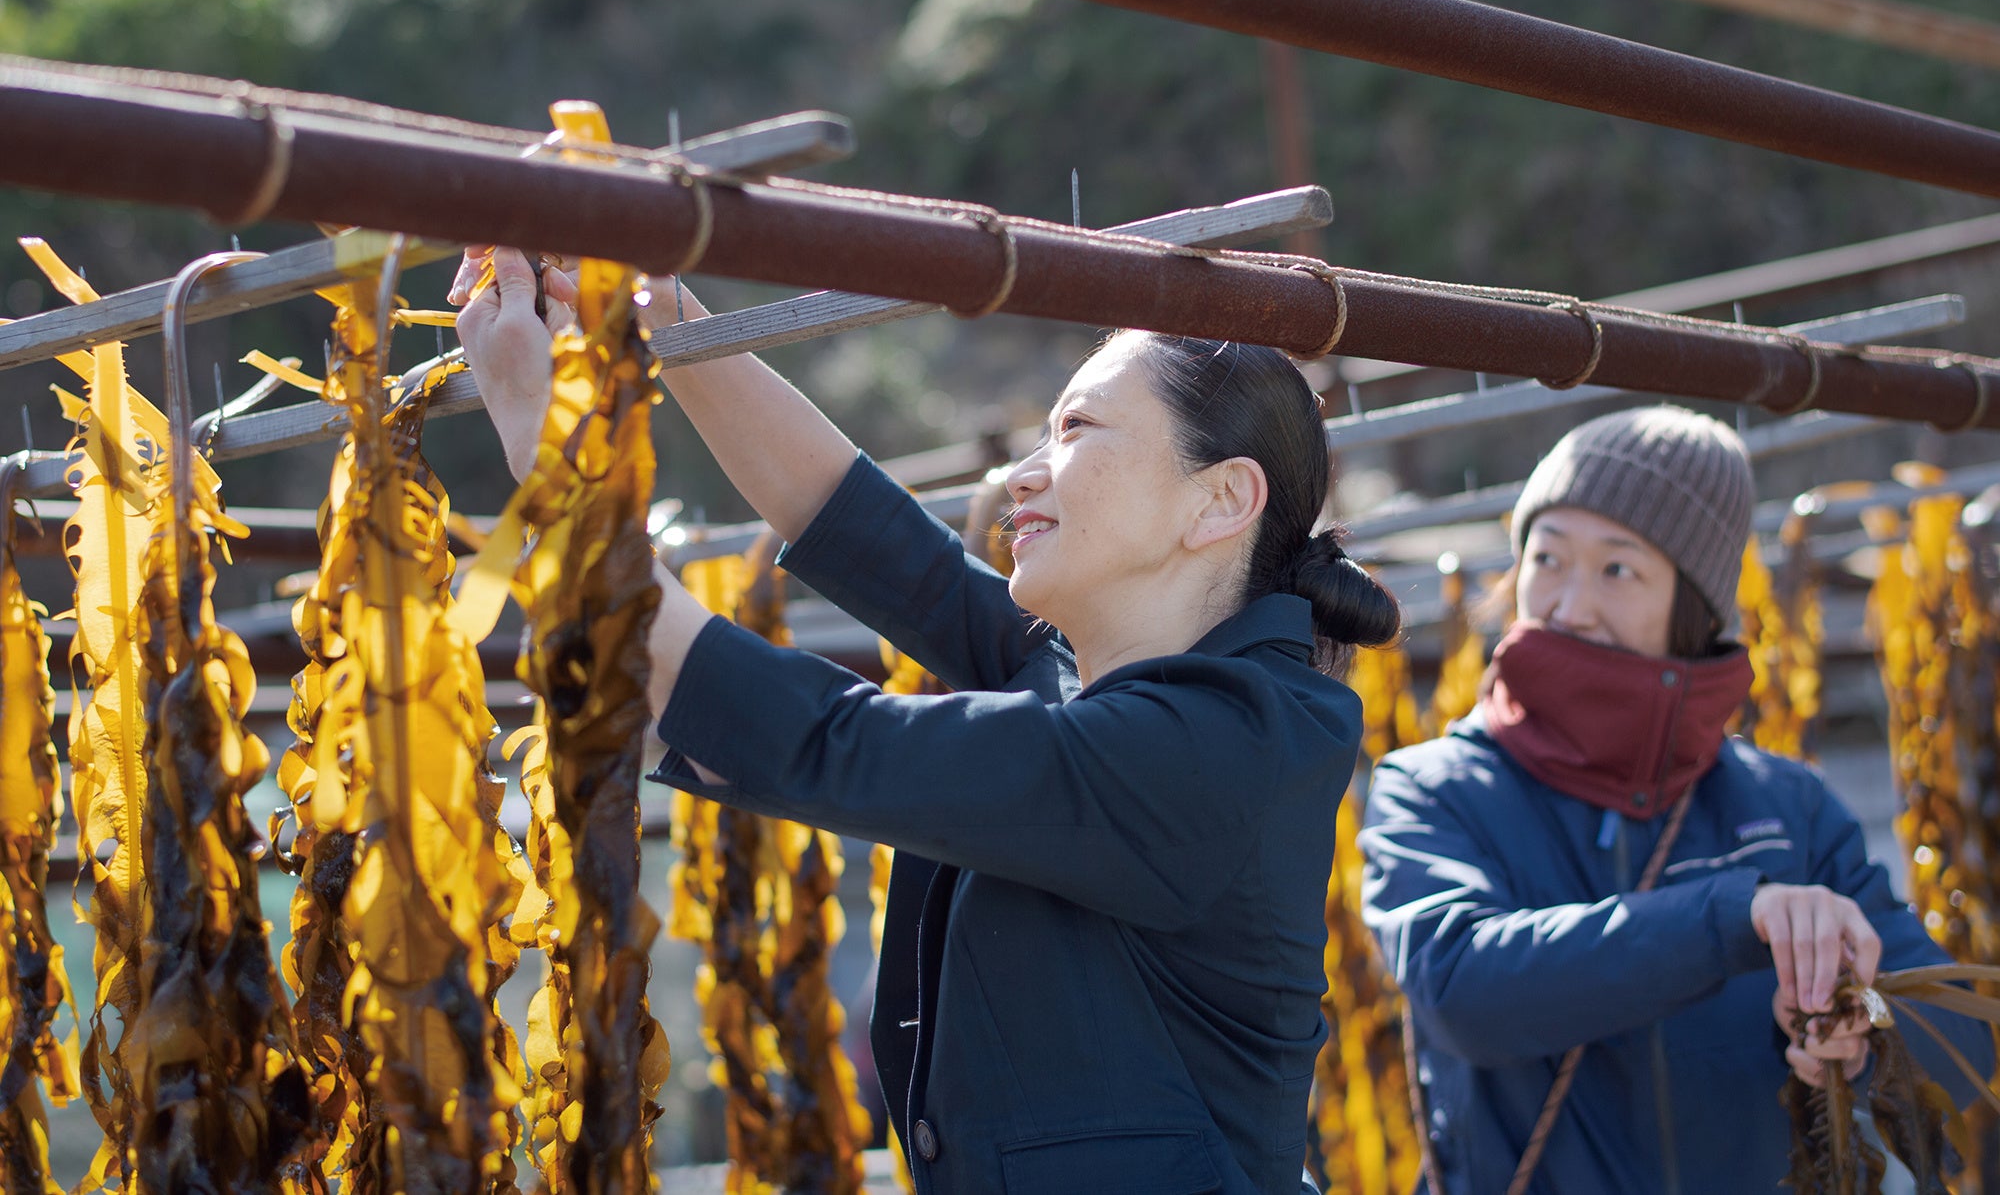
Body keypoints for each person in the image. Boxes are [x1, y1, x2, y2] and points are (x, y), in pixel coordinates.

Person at [452, 248, 1401, 1194]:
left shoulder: (1219, 751)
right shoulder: (1081, 677)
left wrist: (538, 429)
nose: (1025, 474)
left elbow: (833, 741)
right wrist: (660, 311)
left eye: (1075, 429)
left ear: (1221, 499)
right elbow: (861, 528)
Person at [1359, 405, 1995, 1195]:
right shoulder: (1436, 788)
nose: (1567, 602)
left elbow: (1960, 1044)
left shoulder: (1784, 806)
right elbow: (1459, 989)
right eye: (1547, 557)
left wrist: (1865, 1031)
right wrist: (1730, 917)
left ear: (1692, 605)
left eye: (1617, 569)